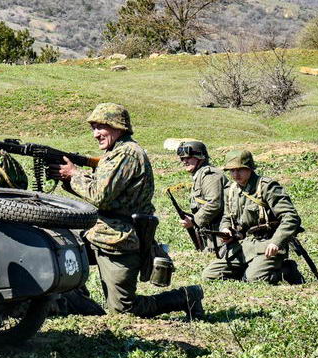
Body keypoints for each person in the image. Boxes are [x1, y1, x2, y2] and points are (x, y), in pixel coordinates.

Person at [48, 102, 204, 319]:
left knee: (124, 310)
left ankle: (186, 297)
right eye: (93, 128)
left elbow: (99, 195)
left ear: (117, 127)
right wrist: (67, 179)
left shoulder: (127, 154)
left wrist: (74, 174)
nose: (95, 134)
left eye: (100, 127)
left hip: (119, 240)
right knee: (57, 252)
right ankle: (77, 301)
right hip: (100, 232)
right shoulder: (116, 153)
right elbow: (103, 193)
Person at [202, 150, 302, 283]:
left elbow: (290, 217)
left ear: (249, 169)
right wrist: (226, 229)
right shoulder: (232, 190)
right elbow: (227, 216)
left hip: (267, 245)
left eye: (240, 170)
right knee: (209, 275)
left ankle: (286, 269)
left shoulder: (267, 187)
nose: (235, 174)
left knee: (254, 279)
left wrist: (276, 242)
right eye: (231, 170)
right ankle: (247, 270)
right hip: (243, 246)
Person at [177, 141, 228, 252]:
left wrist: (194, 220)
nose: (185, 161)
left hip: (223, 238)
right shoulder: (199, 176)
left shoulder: (210, 175)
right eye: (182, 159)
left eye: (189, 157)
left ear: (200, 157)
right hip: (213, 239)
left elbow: (214, 203)